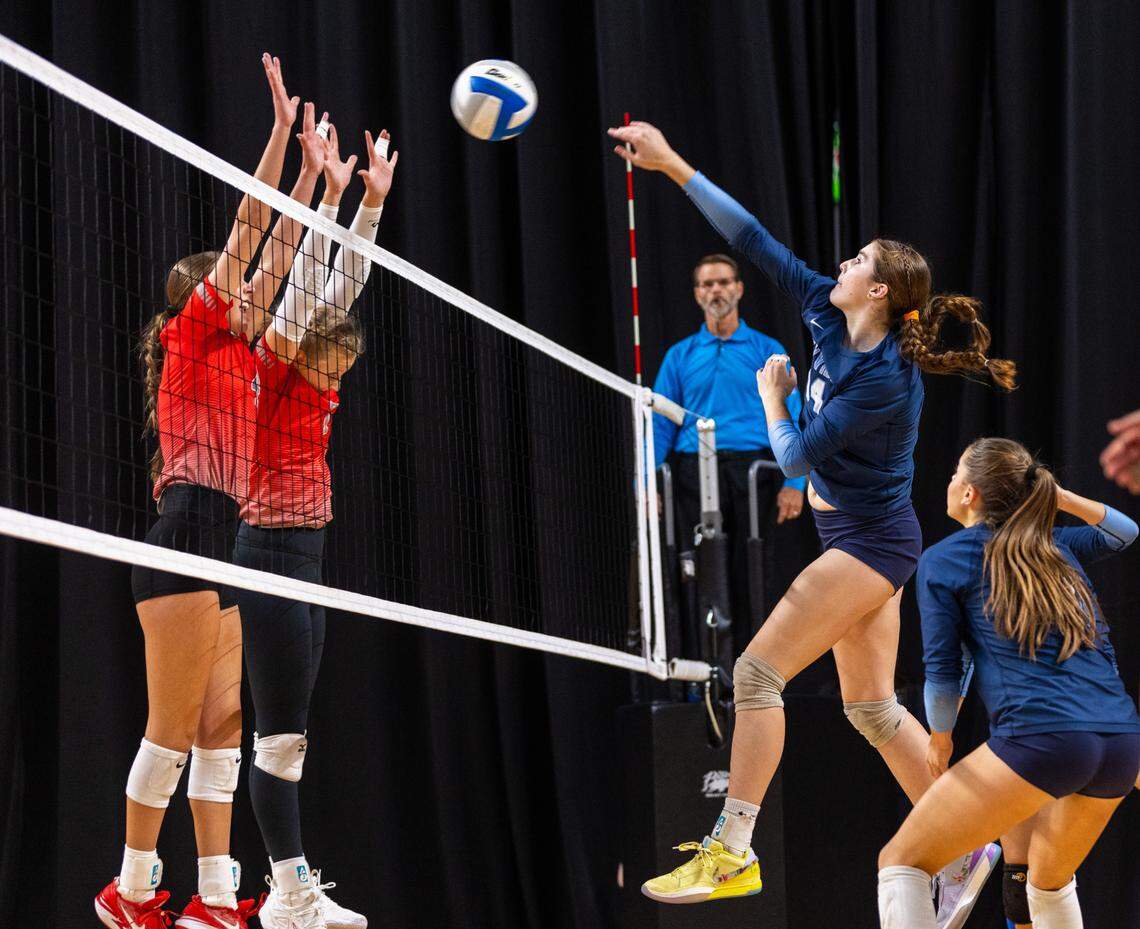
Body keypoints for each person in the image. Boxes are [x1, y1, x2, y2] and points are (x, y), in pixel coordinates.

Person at [608, 120, 1016, 921]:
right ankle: (969, 842)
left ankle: (733, 847)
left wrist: (772, 396)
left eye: (857, 260)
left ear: (880, 293)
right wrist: (670, 165)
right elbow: (752, 237)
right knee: (869, 708)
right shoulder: (828, 314)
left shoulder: (887, 383)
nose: (841, 264)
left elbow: (794, 459)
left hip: (873, 542)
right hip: (861, 536)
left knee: (758, 675)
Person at [94, 58, 326, 929]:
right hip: (184, 532)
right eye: (232, 277)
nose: (250, 282)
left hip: (227, 541)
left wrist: (317, 180)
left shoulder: (252, 356)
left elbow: (290, 262)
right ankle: (134, 888)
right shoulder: (197, 330)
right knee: (173, 722)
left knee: (223, 725)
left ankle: (219, 897)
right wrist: (278, 144)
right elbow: (252, 225)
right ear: (202, 292)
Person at [233, 127, 397, 929]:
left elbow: (347, 282)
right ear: (317, 353)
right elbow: (306, 291)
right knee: (279, 737)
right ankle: (285, 892)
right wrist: (330, 195)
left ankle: (291, 889)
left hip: (310, 553)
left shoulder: (325, 374)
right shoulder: (277, 360)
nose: (342, 379)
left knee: (289, 735)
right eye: (339, 364)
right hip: (261, 553)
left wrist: (370, 203)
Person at [878, 438, 1139, 929]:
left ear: (971, 493)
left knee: (902, 862)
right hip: (1122, 742)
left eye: (957, 473)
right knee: (1046, 883)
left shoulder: (945, 558)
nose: (950, 482)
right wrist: (1056, 497)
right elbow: (1124, 531)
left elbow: (942, 670)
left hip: (1045, 739)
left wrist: (940, 740)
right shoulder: (1055, 544)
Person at [653, 253, 805, 652]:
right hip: (691, 473)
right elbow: (660, 423)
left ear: (738, 289)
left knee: (751, 571)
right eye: (707, 284)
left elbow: (796, 414)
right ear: (697, 294)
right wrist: (648, 481)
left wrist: (797, 481)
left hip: (752, 472)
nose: (715, 290)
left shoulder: (765, 349)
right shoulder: (680, 356)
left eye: (722, 282)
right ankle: (704, 671)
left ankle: (751, 671)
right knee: (697, 570)